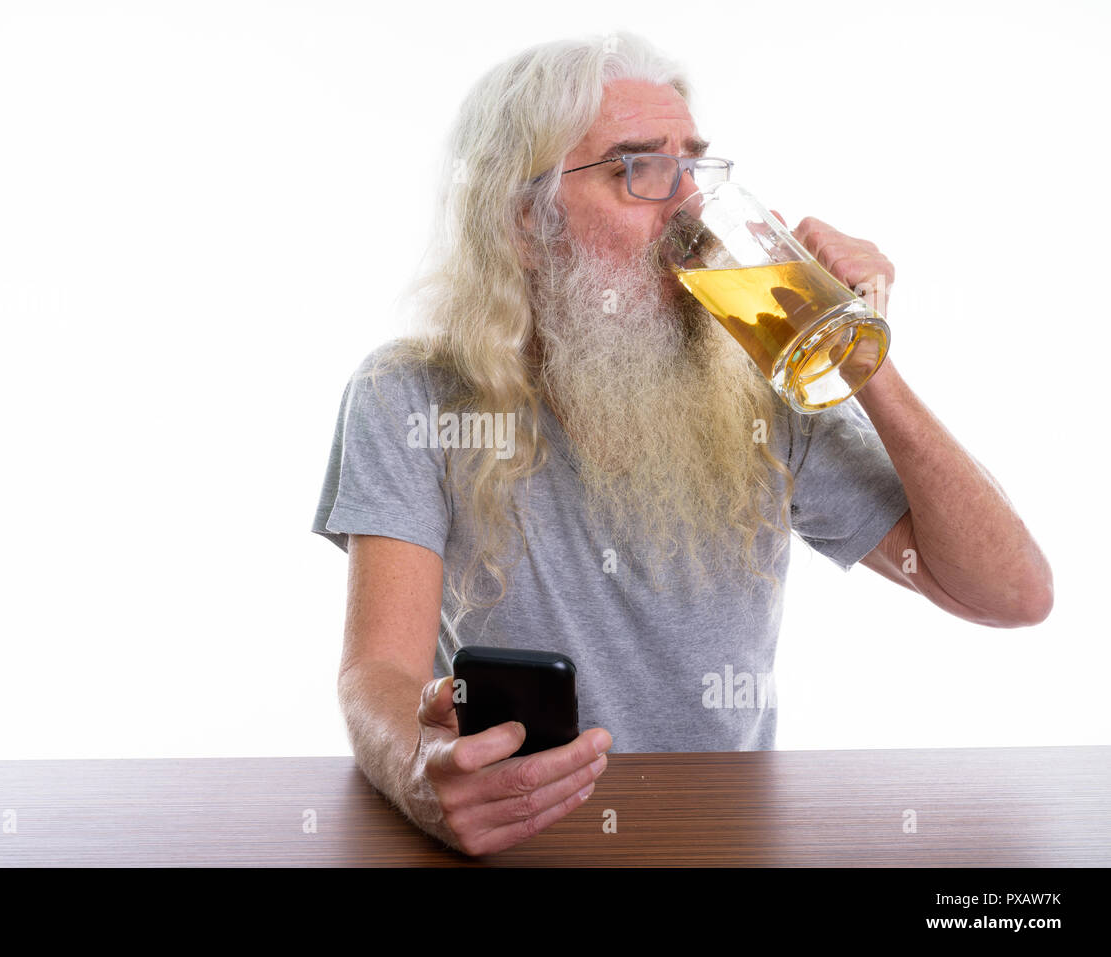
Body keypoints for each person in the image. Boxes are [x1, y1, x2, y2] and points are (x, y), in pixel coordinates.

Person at [311, 32, 1053, 857]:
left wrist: (860, 349)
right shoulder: (409, 396)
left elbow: (1013, 593)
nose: (690, 204)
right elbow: (376, 670)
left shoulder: (764, 390)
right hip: (522, 841)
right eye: (639, 168)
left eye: (693, 165)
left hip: (720, 840)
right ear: (524, 220)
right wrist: (421, 771)